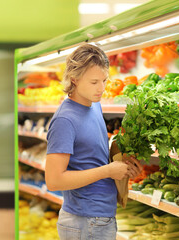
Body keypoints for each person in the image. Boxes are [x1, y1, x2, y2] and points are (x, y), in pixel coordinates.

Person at [45, 44, 142, 240]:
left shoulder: (93, 105)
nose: (102, 88)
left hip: (98, 218)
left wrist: (122, 165)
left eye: (105, 80)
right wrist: (107, 171)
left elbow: (91, 157)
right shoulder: (65, 120)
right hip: (84, 222)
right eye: (94, 82)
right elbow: (54, 181)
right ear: (74, 79)